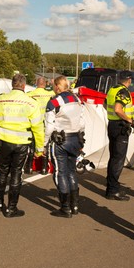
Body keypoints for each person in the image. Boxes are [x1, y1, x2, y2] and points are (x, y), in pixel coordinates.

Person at [0, 73, 44, 218]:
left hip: (3, 141)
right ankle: (12, 208)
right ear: (24, 86)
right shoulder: (31, 103)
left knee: (2, 170)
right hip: (22, 143)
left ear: (13, 84)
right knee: (16, 173)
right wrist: (39, 149)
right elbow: (38, 128)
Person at [45, 75, 86, 218]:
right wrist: (81, 138)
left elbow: (49, 126)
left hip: (60, 140)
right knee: (71, 172)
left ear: (57, 86)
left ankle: (65, 208)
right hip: (75, 138)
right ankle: (75, 205)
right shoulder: (77, 99)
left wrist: (44, 143)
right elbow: (82, 123)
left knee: (60, 172)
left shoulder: (54, 102)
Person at [104, 70, 134, 201]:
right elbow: (118, 109)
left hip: (112, 125)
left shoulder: (112, 89)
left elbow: (105, 104)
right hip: (120, 126)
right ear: (129, 80)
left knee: (113, 157)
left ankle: (111, 187)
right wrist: (128, 119)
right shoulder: (124, 92)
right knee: (118, 159)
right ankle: (113, 190)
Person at [25, 76, 54, 174]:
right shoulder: (50, 94)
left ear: (36, 83)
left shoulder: (30, 94)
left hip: (34, 124)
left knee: (32, 145)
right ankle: (44, 168)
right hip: (46, 124)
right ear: (45, 84)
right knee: (45, 145)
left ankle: (28, 168)